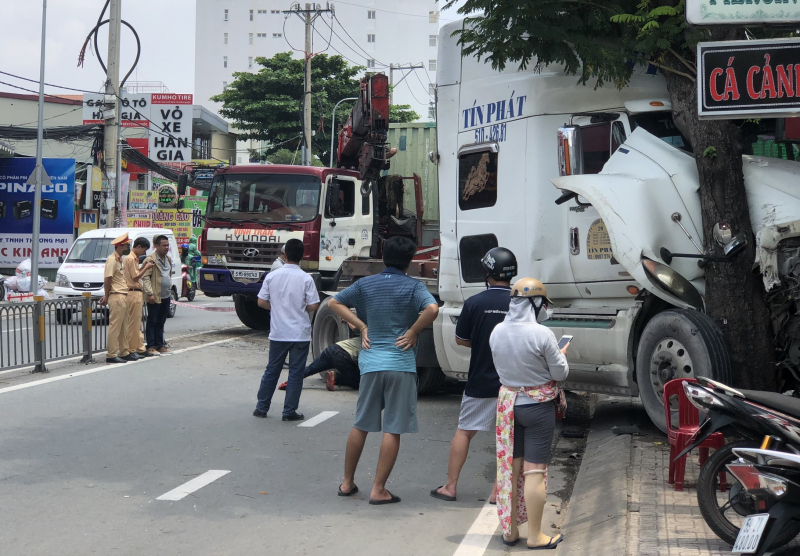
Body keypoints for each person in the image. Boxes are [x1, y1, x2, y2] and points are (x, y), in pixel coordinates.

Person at [329, 236, 439, 505]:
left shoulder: (365, 284)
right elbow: (432, 309)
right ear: (410, 260)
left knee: (361, 424)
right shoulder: (414, 287)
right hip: (400, 364)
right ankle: (379, 489)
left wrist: (362, 326)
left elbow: (334, 303)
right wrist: (413, 331)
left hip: (370, 364)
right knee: (393, 428)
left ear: (384, 256)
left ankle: (347, 483)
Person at [431, 247, 517, 504]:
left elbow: (461, 339)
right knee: (508, 438)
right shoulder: (522, 303)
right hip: (513, 384)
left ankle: (450, 486)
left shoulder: (475, 302)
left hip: (480, 380)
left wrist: (482, 342)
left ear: (488, 273)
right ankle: (496, 492)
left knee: (464, 431)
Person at [489, 278, 569, 550]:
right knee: (535, 471)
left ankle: (510, 531)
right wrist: (560, 355)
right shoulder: (542, 334)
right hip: (537, 407)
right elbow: (560, 373)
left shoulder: (497, 331)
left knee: (511, 470)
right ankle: (535, 536)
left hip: (509, 406)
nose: (545, 308)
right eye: (543, 303)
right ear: (535, 303)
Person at [252, 238, 320, 421]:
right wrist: (300, 307)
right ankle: (289, 411)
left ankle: (261, 407)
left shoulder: (272, 276)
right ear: (302, 256)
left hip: (278, 332)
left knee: (272, 370)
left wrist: (277, 307)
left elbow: (261, 301)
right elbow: (313, 305)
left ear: (285, 254)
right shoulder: (306, 278)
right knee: (296, 373)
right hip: (299, 334)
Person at [278, 326, 361, 392]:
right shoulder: (371, 344)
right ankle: (336, 377)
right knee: (360, 382)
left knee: (310, 369)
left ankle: (290, 382)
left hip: (331, 349)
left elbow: (354, 327)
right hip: (342, 356)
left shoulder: (363, 336)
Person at [99, 233, 133, 364]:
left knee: (124, 326)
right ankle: (111, 354)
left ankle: (124, 351)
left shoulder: (120, 260)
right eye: (126, 246)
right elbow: (107, 279)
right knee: (115, 326)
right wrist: (106, 296)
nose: (127, 248)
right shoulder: (112, 260)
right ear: (120, 247)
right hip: (116, 295)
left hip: (123, 295)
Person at [141, 235, 174, 355]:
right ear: (156, 246)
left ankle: (160, 345)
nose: (166, 247)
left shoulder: (168, 259)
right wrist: (150, 294)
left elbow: (168, 275)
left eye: (167, 245)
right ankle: (151, 346)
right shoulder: (150, 260)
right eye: (164, 245)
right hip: (155, 296)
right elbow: (145, 278)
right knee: (152, 321)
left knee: (161, 321)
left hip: (166, 295)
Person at [123, 237, 155, 360]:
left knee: (137, 324)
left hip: (136, 292)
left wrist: (144, 266)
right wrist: (146, 268)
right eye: (144, 250)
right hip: (132, 291)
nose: (143, 253)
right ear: (139, 247)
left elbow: (135, 273)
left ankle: (139, 348)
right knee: (133, 324)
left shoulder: (133, 259)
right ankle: (132, 349)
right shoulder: (130, 258)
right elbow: (135, 277)